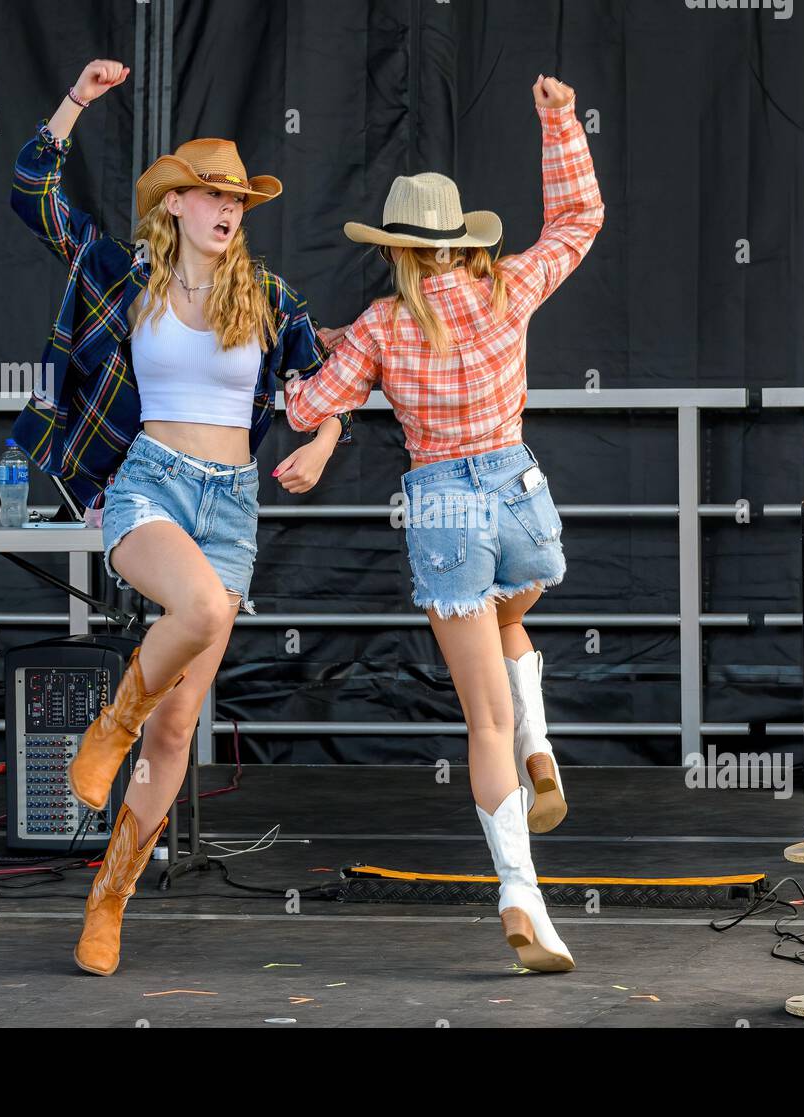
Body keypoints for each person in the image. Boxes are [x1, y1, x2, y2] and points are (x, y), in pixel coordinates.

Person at [9, 59, 351, 976]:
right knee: (195, 612)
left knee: (178, 730)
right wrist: (76, 102)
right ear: (175, 206)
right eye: (210, 193)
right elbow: (31, 190)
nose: (227, 207)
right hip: (150, 485)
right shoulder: (124, 277)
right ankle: (106, 729)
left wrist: (318, 443)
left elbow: (329, 386)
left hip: (232, 505)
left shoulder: (269, 299)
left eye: (237, 195)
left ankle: (108, 899)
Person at [284, 74, 603, 971]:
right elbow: (579, 222)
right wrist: (556, 120)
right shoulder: (509, 288)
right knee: (518, 606)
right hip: (520, 498)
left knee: (482, 721)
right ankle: (545, 748)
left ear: (397, 249)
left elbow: (312, 407)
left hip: (444, 508)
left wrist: (285, 374)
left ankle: (520, 895)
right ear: (462, 241)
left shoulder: (384, 323)